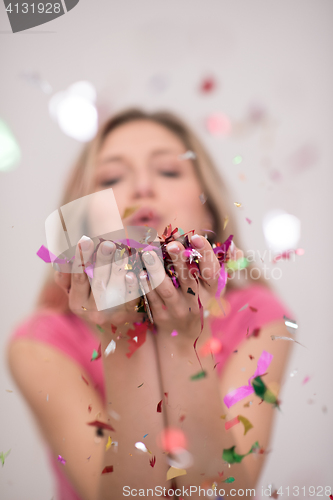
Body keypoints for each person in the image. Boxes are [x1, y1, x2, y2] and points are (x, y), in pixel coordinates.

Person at [6, 108, 294, 500]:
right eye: (111, 178)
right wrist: (125, 338)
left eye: (169, 171)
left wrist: (185, 341)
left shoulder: (259, 318)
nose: (142, 186)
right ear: (79, 223)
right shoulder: (39, 344)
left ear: (210, 208)